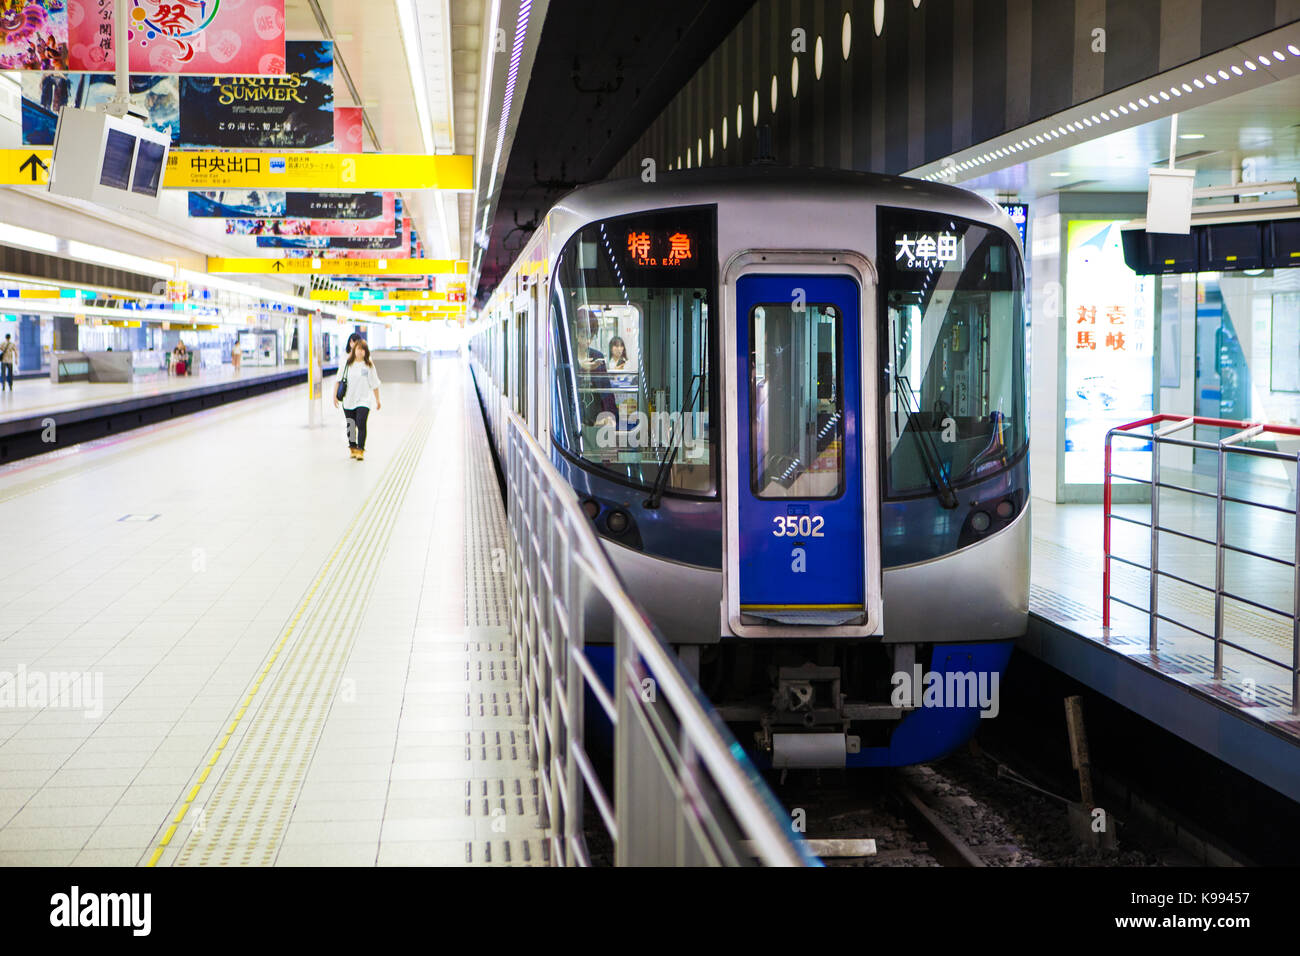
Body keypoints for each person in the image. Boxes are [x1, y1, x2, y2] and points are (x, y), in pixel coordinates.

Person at [333, 337, 382, 460]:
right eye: (359, 349)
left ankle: (360, 449)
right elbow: (338, 380)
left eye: (363, 350)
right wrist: (334, 396)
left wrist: (377, 400)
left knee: (361, 423)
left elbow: (374, 384)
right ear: (354, 350)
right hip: (348, 400)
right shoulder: (346, 364)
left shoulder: (368, 366)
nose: (361, 352)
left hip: (364, 400)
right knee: (351, 424)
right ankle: (353, 447)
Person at [573, 307, 616, 426]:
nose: (587, 341)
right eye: (583, 336)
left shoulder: (597, 356)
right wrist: (580, 367)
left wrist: (611, 416)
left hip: (598, 420)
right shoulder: (568, 356)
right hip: (574, 421)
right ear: (575, 333)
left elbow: (606, 392)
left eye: (591, 337)